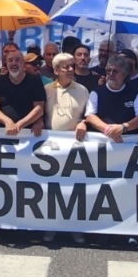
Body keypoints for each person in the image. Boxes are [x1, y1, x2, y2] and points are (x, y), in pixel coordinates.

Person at [40, 52, 90, 244]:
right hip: (51, 149)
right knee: (53, 191)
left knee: (74, 191)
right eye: (65, 67)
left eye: (71, 65)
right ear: (56, 71)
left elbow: (90, 114)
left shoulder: (83, 90)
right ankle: (51, 228)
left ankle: (75, 229)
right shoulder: (46, 90)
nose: (70, 69)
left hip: (75, 149)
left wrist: (84, 122)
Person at [84, 56, 138, 140]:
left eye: (115, 71)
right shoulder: (96, 92)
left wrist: (123, 128)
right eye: (108, 70)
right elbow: (90, 116)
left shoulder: (134, 93)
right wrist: (109, 130)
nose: (111, 74)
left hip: (127, 143)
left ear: (124, 74)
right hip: (103, 143)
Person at [0, 47, 46, 135]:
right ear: (6, 64)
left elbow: (39, 109)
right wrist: (7, 122)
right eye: (10, 60)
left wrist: (19, 125)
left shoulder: (35, 81)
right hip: (2, 132)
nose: (14, 63)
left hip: (28, 133)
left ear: (23, 64)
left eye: (17, 60)